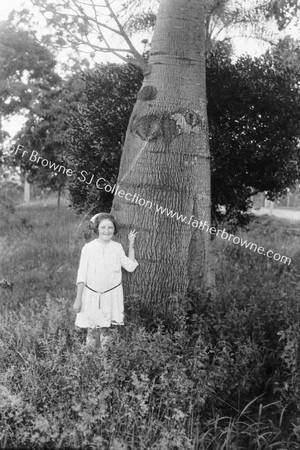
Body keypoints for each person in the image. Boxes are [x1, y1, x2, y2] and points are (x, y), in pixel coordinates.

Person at [73, 212, 138, 348]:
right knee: (91, 329)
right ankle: (89, 358)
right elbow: (82, 275)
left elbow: (130, 267)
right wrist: (78, 299)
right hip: (91, 295)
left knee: (106, 328)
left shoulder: (117, 247)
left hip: (110, 295)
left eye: (110, 228)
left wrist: (131, 245)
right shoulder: (88, 248)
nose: (106, 231)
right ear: (97, 229)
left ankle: (105, 360)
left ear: (114, 229)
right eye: (103, 227)